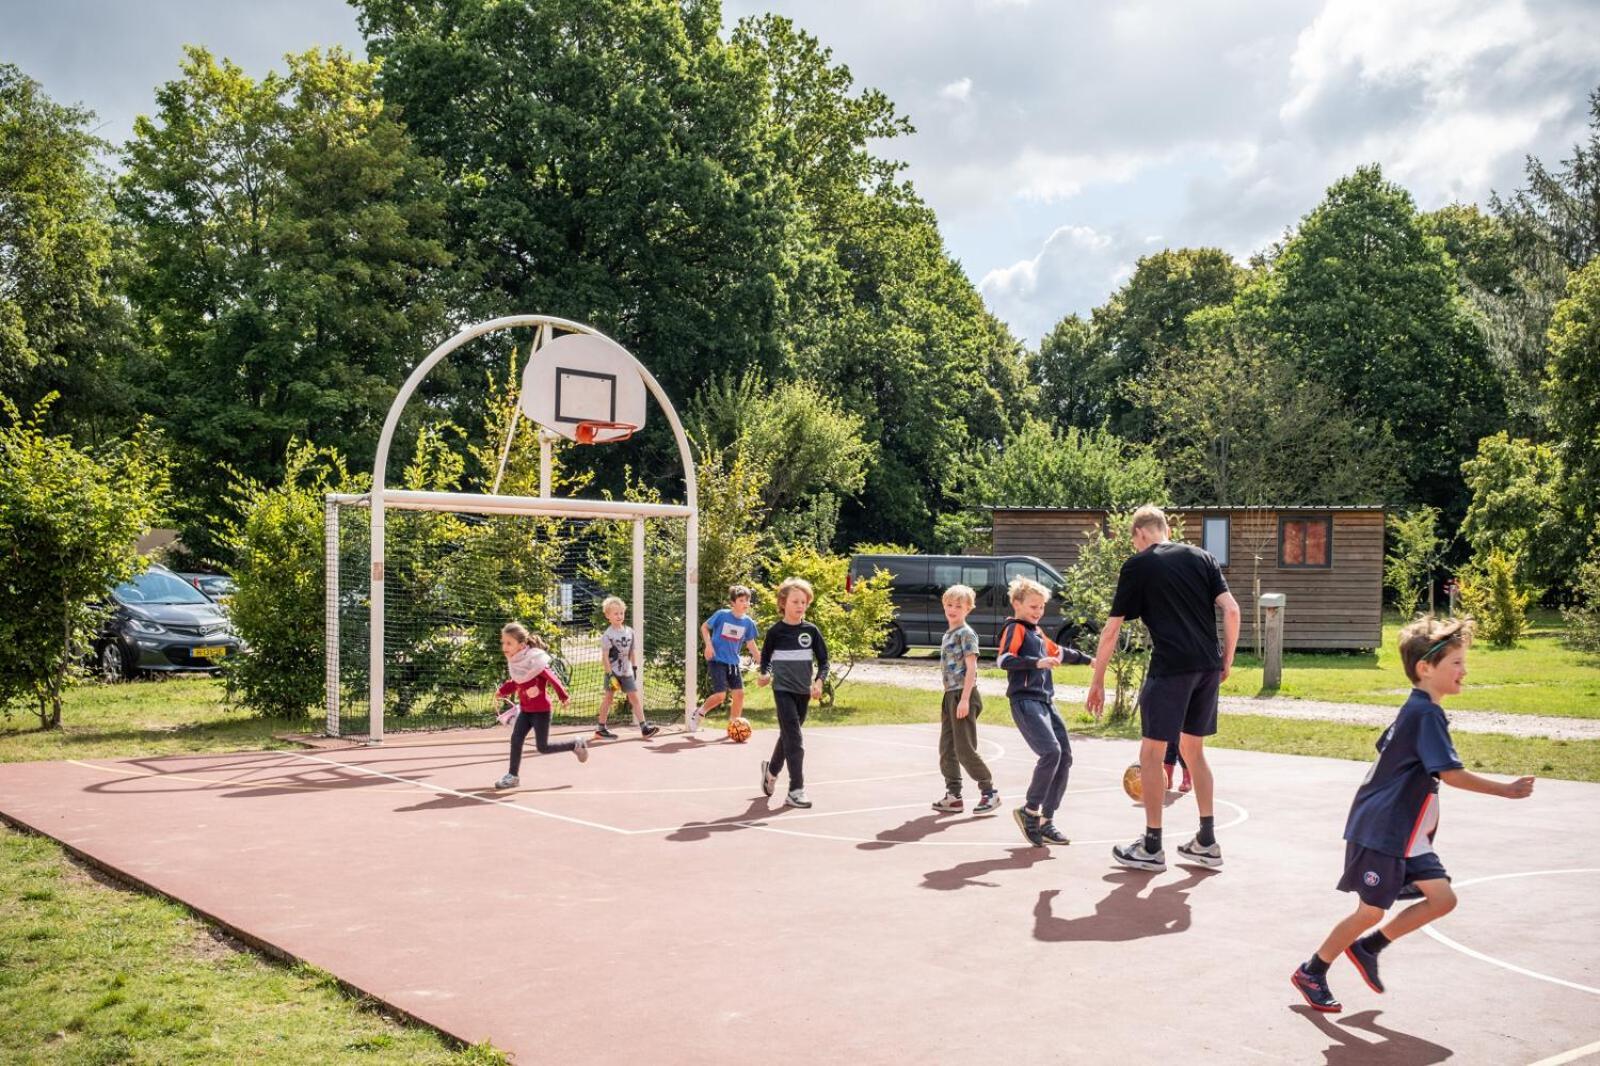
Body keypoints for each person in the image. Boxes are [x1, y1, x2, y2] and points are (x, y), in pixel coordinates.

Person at [1290, 617, 1535, 1013]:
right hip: (1383, 831)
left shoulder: (1418, 709)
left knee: (1442, 898)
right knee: (1370, 910)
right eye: (1455, 662)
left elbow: (1387, 747)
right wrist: (1505, 790)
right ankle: (1312, 970)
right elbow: (1450, 774)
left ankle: (1369, 947)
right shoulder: (1425, 714)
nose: (1464, 670)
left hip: (1406, 834)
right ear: (1426, 668)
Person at [1087, 505, 1240, 873]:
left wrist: (1097, 680)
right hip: (1206, 666)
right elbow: (1232, 610)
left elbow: (1111, 630)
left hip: (1170, 668)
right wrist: (1226, 661)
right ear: (1166, 528)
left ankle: (1152, 846)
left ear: (1138, 533)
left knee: (1151, 755)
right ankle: (1207, 841)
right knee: (1194, 751)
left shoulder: (1139, 564)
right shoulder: (1203, 557)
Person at [999, 575, 1091, 847]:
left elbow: (1059, 652)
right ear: (1017, 604)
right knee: (1051, 752)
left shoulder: (1037, 633)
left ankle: (1045, 820)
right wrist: (1037, 663)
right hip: (1026, 701)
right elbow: (1004, 659)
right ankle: (1029, 812)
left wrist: (1089, 660)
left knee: (1065, 757)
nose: (1037, 612)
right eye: (1032, 606)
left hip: (1046, 701)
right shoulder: (1015, 629)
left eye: (1041, 607)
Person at [757, 577, 828, 809]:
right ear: (783, 602)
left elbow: (824, 662)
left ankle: (771, 771)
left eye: (804, 602)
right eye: (796, 601)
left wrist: (818, 682)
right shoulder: (775, 632)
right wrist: (765, 674)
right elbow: (765, 660)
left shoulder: (811, 631)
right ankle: (796, 790)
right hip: (782, 690)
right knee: (795, 739)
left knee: (788, 735)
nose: (800, 606)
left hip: (802, 692)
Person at [932, 584, 1000, 815]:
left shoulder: (966, 634)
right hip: (950, 694)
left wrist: (964, 699)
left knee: (964, 749)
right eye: (949, 605)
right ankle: (954, 795)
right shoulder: (948, 634)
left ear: (968, 609)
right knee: (947, 748)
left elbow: (972, 669)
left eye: (958, 606)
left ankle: (989, 792)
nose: (953, 609)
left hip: (964, 694)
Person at [493, 623, 587, 789]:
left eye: (509, 643)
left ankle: (575, 744)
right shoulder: (516, 662)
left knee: (542, 747)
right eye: (503, 642)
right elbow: (516, 682)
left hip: (541, 711)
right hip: (525, 711)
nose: (504, 647)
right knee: (516, 739)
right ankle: (513, 776)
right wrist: (502, 691)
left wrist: (563, 696)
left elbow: (552, 678)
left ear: (521, 645)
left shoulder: (535, 660)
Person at [688, 585, 761, 735]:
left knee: (739, 695)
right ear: (733, 603)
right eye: (741, 600)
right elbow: (704, 627)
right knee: (720, 696)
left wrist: (761, 660)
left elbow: (750, 643)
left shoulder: (748, 623)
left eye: (747, 600)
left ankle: (733, 726)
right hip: (717, 660)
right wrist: (708, 646)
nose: (746, 603)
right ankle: (699, 713)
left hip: (733, 662)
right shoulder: (722, 615)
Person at [595, 596, 659, 740]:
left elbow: (632, 651)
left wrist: (634, 668)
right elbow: (604, 657)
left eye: (621, 613)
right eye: (615, 613)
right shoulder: (607, 635)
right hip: (613, 672)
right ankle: (601, 728)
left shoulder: (630, 631)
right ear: (607, 616)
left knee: (634, 698)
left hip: (626, 671)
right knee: (608, 699)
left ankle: (644, 728)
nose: (619, 616)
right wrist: (609, 674)